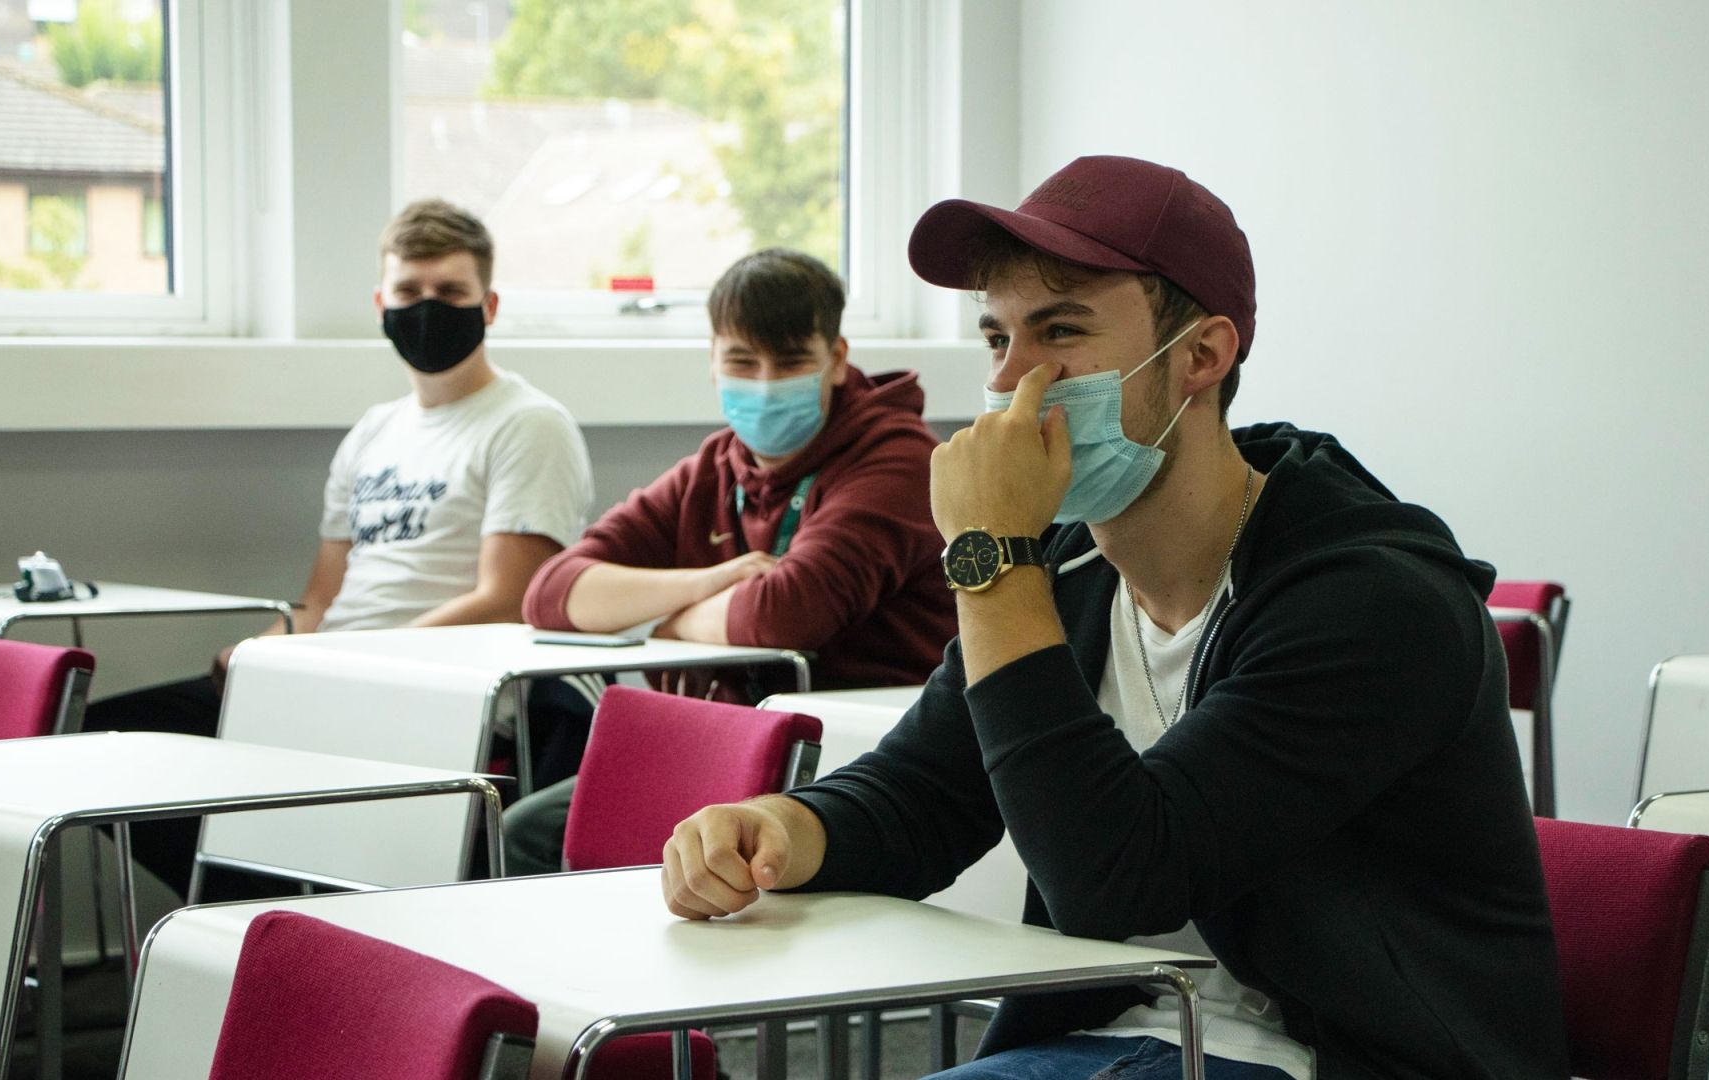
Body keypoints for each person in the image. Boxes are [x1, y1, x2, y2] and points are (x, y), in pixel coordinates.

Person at [658, 157, 1568, 1080]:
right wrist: (778, 827)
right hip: (1127, 1040)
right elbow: (926, 793)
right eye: (996, 339)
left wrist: (991, 557)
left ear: (1201, 358)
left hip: (1340, 1057)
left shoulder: (1374, 602)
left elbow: (1117, 878)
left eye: (1060, 331)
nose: (1013, 380)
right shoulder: (1068, 565)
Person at [86, 198, 595, 894]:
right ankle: (246, 912)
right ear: (382, 302)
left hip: (432, 687)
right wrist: (265, 648)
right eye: (410, 292)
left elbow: (507, 600)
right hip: (329, 671)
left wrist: (351, 662)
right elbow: (321, 597)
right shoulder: (374, 431)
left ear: (490, 304)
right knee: (110, 740)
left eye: (450, 292)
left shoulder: (528, 424)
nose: (427, 308)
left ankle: (286, 916)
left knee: (250, 779)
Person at [505, 247, 957, 876]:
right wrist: (710, 583)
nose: (766, 383)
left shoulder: (899, 461)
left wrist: (662, 618)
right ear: (713, 363)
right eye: (743, 361)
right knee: (522, 831)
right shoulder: (716, 467)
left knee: (544, 838)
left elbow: (784, 615)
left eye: (791, 361)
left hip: (851, 755)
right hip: (718, 743)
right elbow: (553, 593)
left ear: (837, 359)